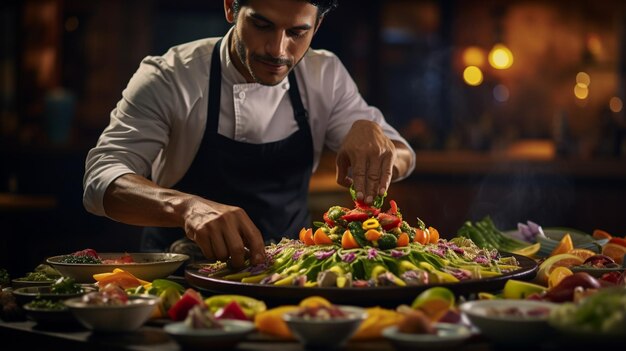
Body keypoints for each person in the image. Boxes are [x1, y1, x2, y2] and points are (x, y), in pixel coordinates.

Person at [83, 0, 416, 269]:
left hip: (290, 275)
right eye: (262, 25)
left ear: (317, 27)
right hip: (181, 273)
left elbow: (402, 155)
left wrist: (373, 134)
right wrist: (185, 208)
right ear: (231, 8)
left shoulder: (324, 75)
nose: (278, 49)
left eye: (298, 32)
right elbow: (102, 179)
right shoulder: (171, 76)